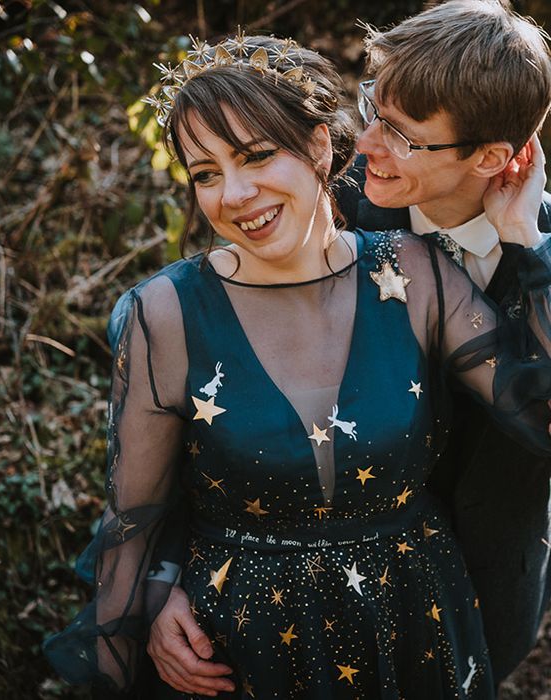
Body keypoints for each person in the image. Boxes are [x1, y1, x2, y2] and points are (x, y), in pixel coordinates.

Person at [43, 31, 551, 699]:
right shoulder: (164, 314)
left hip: (411, 622)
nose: (233, 194)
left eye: (256, 157)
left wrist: (530, 246)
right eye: (205, 173)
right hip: (237, 641)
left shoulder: (412, 269)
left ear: (317, 147)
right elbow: (135, 510)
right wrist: (153, 597)